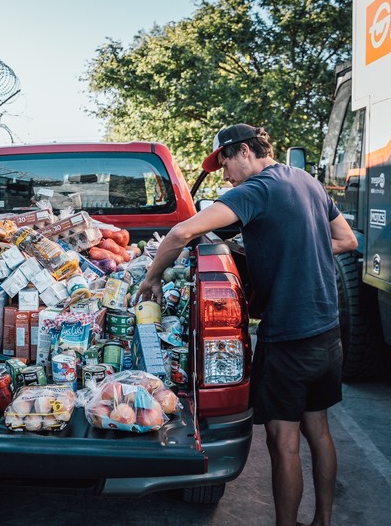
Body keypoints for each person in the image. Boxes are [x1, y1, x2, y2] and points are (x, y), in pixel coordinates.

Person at [135, 124, 357, 526]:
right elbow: (346, 239)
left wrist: (150, 279)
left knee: (282, 441)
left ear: (240, 151)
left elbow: (183, 231)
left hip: (289, 334)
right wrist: (295, 246)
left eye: (222, 163)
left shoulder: (255, 190)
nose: (223, 175)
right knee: (319, 430)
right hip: (327, 330)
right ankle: (323, 520)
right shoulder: (306, 181)